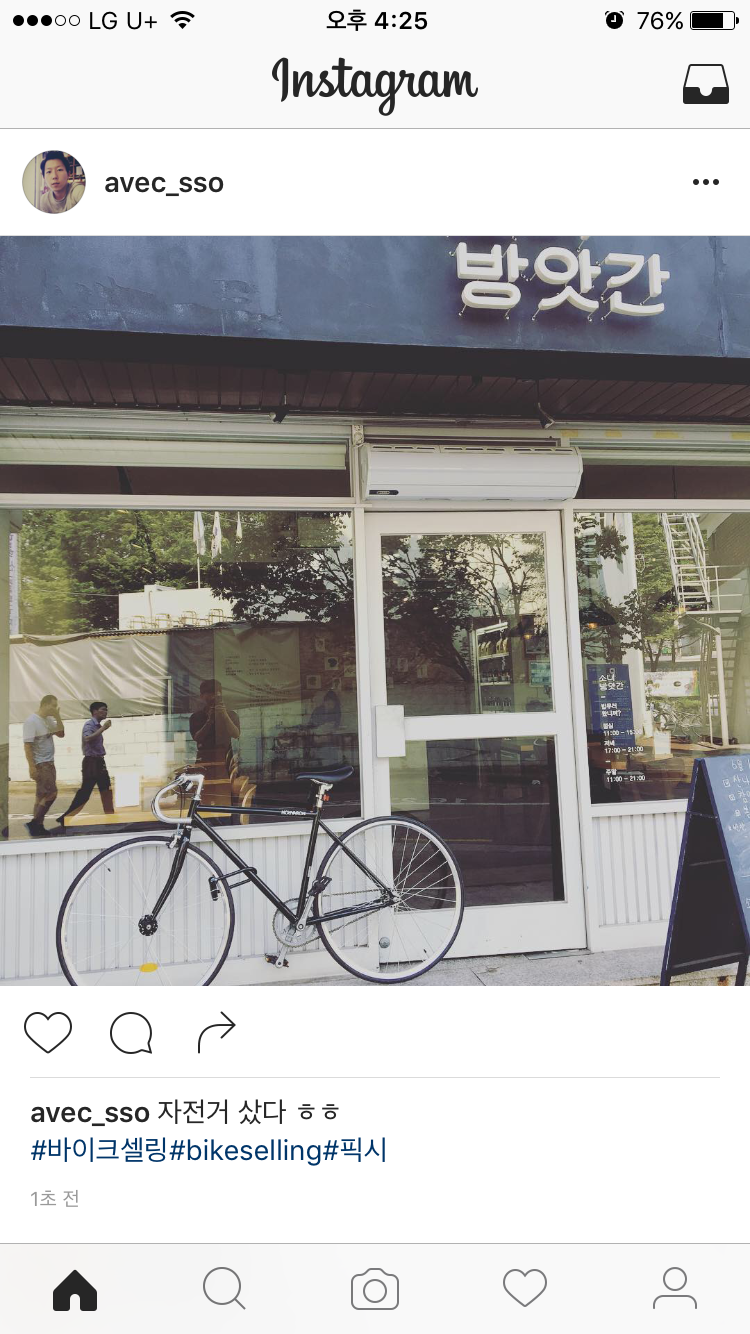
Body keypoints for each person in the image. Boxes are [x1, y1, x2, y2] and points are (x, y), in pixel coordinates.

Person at [56, 702, 114, 829]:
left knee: (106, 791)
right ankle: (66, 818)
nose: (105, 712)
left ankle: (111, 819)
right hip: (91, 763)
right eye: (103, 710)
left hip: (99, 762)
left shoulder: (97, 725)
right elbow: (87, 738)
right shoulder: (89, 724)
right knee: (85, 793)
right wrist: (103, 728)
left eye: (106, 710)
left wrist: (102, 728)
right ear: (95, 711)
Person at [23, 694, 65, 837]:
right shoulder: (31, 721)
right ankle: (34, 823)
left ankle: (38, 827)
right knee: (52, 794)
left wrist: (57, 716)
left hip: (49, 763)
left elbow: (61, 733)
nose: (55, 708)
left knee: (40, 797)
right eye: (53, 705)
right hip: (41, 764)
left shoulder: (48, 720)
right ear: (45, 704)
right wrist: (32, 767)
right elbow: (27, 746)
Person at [189, 680, 241, 779]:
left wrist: (224, 715)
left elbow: (236, 734)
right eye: (209, 694)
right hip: (204, 758)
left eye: (215, 694)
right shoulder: (196, 717)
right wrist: (209, 721)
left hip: (225, 758)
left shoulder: (231, 714)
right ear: (202, 697)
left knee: (226, 785)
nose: (213, 698)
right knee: (204, 786)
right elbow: (197, 738)